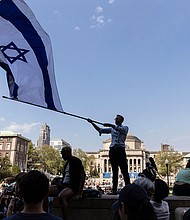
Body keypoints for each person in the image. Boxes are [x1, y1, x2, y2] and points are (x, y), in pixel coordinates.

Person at [88, 114, 130, 194]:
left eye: (117, 119)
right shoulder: (112, 129)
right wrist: (92, 123)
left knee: (124, 170)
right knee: (114, 170)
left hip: (120, 150)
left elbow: (121, 130)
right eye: (115, 119)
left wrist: (110, 125)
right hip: (113, 150)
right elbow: (100, 130)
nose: (115, 120)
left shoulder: (125, 128)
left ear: (121, 120)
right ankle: (114, 189)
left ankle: (128, 188)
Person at [47, 146, 85, 220]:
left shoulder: (76, 161)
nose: (62, 156)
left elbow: (82, 175)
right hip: (64, 185)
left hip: (72, 187)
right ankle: (45, 214)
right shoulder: (66, 164)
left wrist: (80, 192)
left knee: (62, 196)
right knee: (45, 190)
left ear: (68, 153)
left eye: (63, 154)